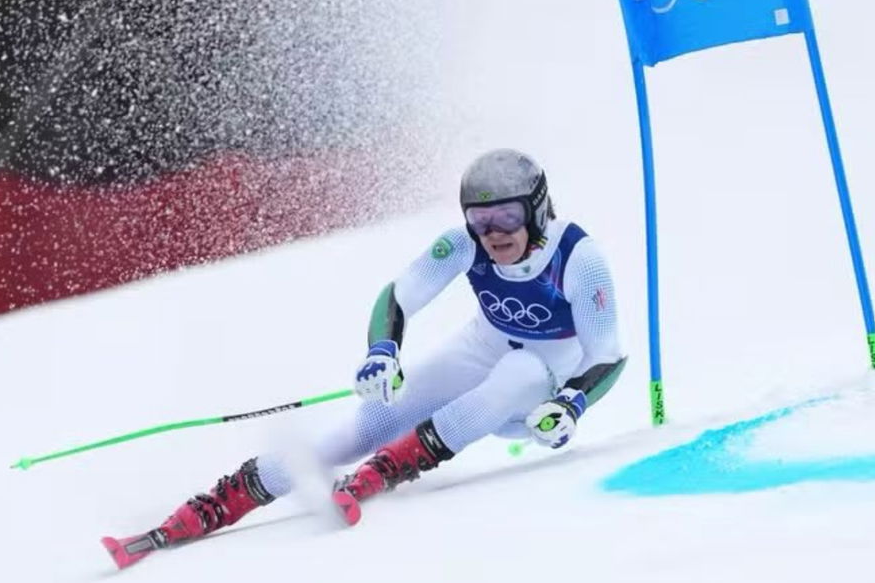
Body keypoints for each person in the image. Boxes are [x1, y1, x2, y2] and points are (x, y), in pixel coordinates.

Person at [102, 148, 627, 569]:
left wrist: (572, 404)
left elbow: (608, 354)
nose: (493, 234)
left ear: (536, 208)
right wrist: (383, 352)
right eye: (480, 219)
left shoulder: (580, 258)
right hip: (484, 345)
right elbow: (399, 296)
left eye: (507, 216)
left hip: (546, 376)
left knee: (514, 375)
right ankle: (219, 502)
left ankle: (384, 472)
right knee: (361, 427)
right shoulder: (464, 244)